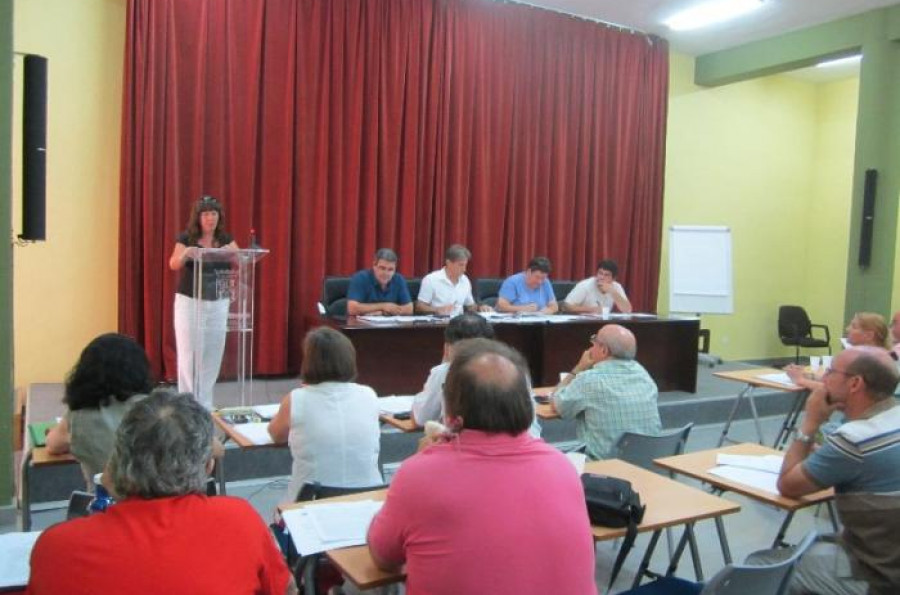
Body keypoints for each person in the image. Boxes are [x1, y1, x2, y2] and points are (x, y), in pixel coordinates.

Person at [367, 339, 597, 595]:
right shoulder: (562, 466)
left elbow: (383, 556)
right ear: (526, 404)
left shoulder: (418, 474)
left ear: (450, 409)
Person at [28, 390, 296, 594]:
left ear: (119, 458)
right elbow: (285, 589)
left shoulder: (57, 548)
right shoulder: (239, 519)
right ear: (207, 466)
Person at [748, 346, 900, 594]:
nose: (823, 379)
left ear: (855, 383)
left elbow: (788, 485)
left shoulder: (855, 439)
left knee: (760, 565)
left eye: (831, 371)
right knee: (816, 546)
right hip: (888, 556)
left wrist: (811, 422)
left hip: (877, 577)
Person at [268, 327, 382, 504]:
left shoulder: (297, 398)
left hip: (310, 503)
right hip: (368, 501)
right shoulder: (368, 394)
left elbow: (276, 435)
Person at [45, 333, 155, 489]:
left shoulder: (79, 414)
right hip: (156, 499)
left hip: (104, 499)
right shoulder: (155, 408)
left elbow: (53, 445)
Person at [168, 195, 239, 409]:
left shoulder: (224, 238)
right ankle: (188, 403)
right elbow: (173, 264)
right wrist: (186, 254)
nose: (210, 218)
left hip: (218, 301)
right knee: (189, 354)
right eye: (206, 214)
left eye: (214, 213)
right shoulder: (187, 238)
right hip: (190, 301)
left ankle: (204, 403)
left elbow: (241, 257)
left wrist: (231, 253)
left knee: (213, 353)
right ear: (198, 217)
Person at [551, 324, 661, 460]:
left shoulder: (590, 379)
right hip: (645, 463)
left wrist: (579, 368)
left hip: (602, 466)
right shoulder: (644, 375)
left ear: (604, 350)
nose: (591, 347)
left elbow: (558, 405)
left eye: (594, 341)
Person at [410, 313, 496, 425]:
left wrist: (443, 365)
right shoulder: (511, 369)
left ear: (447, 347)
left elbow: (421, 418)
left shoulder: (443, 372)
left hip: (460, 436)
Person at [415, 244, 490, 316]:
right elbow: (419, 307)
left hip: (459, 321)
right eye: (461, 265)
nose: (464, 269)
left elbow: (470, 306)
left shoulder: (465, 280)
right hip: (438, 321)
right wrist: (437, 310)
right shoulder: (431, 279)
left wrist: (480, 308)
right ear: (448, 263)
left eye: (465, 265)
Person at [346, 248, 413, 316]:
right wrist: (383, 306)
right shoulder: (361, 278)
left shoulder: (398, 279)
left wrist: (383, 313)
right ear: (374, 266)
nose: (386, 273)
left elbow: (409, 309)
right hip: (360, 322)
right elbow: (352, 309)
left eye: (390, 269)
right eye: (382, 268)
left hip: (390, 322)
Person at [562, 259, 633, 314]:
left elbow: (627, 310)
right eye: (600, 273)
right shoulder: (585, 285)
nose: (601, 277)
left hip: (604, 322)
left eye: (606, 275)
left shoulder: (616, 287)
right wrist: (591, 309)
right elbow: (566, 307)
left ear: (613, 279)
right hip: (583, 323)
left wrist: (612, 292)